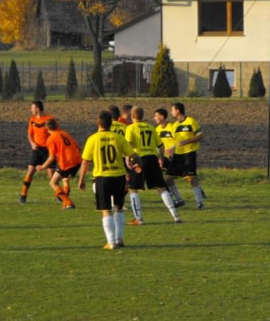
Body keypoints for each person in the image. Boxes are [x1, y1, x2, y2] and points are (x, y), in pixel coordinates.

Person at [78, 111, 136, 250]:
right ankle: (119, 239)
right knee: (119, 208)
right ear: (111, 123)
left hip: (102, 178)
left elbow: (85, 161)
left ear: (98, 123)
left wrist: (81, 179)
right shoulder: (118, 137)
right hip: (118, 176)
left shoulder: (92, 139)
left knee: (106, 209)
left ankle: (111, 242)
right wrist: (137, 164)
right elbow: (133, 155)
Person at [126, 107, 181, 225]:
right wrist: (160, 158)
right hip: (152, 158)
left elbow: (129, 144)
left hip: (139, 159)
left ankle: (138, 218)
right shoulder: (151, 128)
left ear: (132, 116)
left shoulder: (131, 128)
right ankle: (175, 216)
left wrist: (128, 158)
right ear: (142, 116)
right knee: (161, 188)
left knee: (133, 189)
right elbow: (161, 146)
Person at [165, 102, 206, 209]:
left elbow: (200, 135)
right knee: (168, 179)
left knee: (192, 178)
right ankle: (179, 200)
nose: (171, 112)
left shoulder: (191, 121)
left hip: (189, 154)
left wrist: (187, 141)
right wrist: (171, 150)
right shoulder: (175, 125)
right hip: (177, 155)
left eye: (172, 110)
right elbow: (176, 141)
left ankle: (200, 203)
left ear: (178, 110)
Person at [36, 119, 81, 209]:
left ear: (46, 128)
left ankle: (68, 203)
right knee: (64, 179)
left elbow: (51, 157)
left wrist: (42, 166)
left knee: (53, 182)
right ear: (57, 125)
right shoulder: (65, 133)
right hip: (77, 161)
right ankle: (65, 203)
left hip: (66, 163)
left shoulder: (51, 139)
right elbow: (78, 148)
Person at [19, 100, 55, 204]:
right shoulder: (32, 120)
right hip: (37, 150)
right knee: (30, 172)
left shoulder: (49, 119)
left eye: (32, 108)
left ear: (38, 109)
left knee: (51, 175)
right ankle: (23, 195)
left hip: (48, 150)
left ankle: (59, 196)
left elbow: (55, 133)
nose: (31, 110)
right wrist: (32, 144)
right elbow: (29, 135)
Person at [153, 108, 185, 208]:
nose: (155, 118)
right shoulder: (157, 129)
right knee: (166, 180)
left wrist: (171, 149)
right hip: (163, 158)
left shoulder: (171, 127)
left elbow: (178, 141)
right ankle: (179, 200)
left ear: (162, 117)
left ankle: (171, 199)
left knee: (166, 180)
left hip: (173, 158)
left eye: (156, 116)